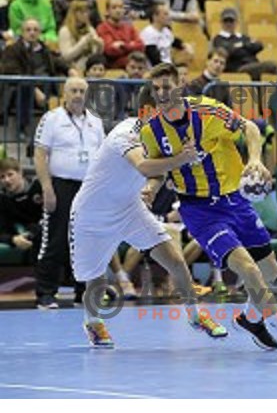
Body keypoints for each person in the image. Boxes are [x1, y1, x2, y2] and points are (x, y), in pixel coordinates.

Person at [139, 63, 277, 361]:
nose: (161, 93)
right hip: (200, 210)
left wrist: (256, 160)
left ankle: (249, 318)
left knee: (269, 270)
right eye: (155, 88)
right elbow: (157, 168)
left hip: (234, 200)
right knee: (248, 268)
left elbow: (249, 127)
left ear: (180, 85)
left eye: (166, 86)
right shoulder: (151, 130)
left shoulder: (208, 111)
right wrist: (151, 188)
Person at [71, 83, 225, 347]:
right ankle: (93, 322)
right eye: (165, 106)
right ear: (147, 110)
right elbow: (143, 165)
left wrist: (151, 189)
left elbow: (156, 173)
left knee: (175, 259)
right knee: (95, 279)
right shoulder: (125, 132)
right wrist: (181, 158)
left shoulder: (161, 135)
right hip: (91, 215)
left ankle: (195, 314)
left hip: (130, 208)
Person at [33, 77, 105, 309]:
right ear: (64, 94)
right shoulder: (51, 119)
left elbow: (103, 157)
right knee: (54, 239)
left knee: (87, 241)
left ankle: (82, 291)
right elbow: (40, 155)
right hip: (60, 186)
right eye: (73, 90)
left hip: (89, 188)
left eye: (82, 91)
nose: (77, 95)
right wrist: (47, 187)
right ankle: (46, 293)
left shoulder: (96, 122)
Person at [210, 8, 277, 81]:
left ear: (236, 22)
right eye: (226, 21)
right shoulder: (219, 39)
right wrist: (245, 45)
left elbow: (258, 46)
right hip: (237, 68)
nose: (228, 24)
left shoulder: (243, 37)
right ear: (221, 23)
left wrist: (240, 45)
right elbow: (227, 51)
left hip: (252, 64)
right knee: (270, 66)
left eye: (231, 21)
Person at [0, 157, 43, 259]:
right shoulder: (2, 199)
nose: (7, 180)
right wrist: (13, 239)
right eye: (2, 177)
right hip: (19, 233)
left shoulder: (38, 187)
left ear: (20, 173)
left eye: (10, 174)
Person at [140, 2, 193, 66]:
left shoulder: (166, 31)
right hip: (157, 70)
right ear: (155, 16)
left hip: (168, 67)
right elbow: (154, 59)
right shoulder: (148, 32)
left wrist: (184, 45)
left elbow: (174, 41)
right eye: (165, 14)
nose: (169, 17)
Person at [58, 0, 104, 73]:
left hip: (90, 68)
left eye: (87, 12)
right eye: (82, 12)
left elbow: (95, 56)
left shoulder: (90, 29)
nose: (86, 15)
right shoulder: (65, 31)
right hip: (73, 69)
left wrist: (100, 45)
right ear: (74, 14)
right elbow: (66, 57)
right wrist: (83, 42)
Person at [97, 0, 145, 69]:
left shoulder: (129, 27)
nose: (118, 10)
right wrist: (131, 44)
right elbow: (110, 51)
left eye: (120, 7)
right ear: (107, 11)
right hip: (114, 66)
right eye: (114, 7)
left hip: (134, 65)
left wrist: (123, 45)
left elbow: (141, 46)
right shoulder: (102, 27)